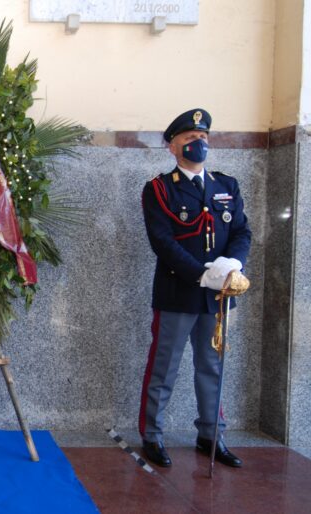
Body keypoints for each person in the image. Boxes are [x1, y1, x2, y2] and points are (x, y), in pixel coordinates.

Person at [138, 109, 251, 468]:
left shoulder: (225, 186)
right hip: (178, 292)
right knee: (165, 367)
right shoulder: (159, 188)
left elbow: (241, 232)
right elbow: (162, 240)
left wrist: (232, 264)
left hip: (218, 299)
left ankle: (211, 435)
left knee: (212, 366)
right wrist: (202, 274)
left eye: (202, 138)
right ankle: (152, 435)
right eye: (189, 138)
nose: (198, 143)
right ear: (173, 147)